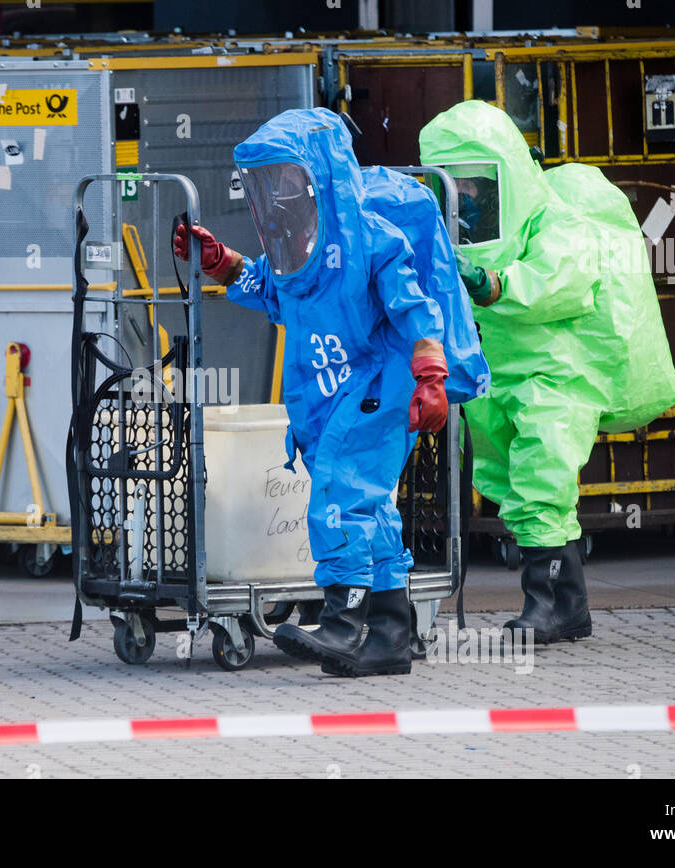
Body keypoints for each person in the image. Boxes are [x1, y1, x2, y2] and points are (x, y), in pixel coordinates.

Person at [173, 107, 488, 676]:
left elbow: (415, 308)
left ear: (319, 172)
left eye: (286, 178)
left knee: (340, 498)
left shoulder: (370, 237)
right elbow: (275, 291)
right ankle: (390, 634)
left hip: (376, 385)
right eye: (268, 182)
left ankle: (343, 623)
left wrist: (431, 377)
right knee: (371, 508)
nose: (278, 194)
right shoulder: (301, 251)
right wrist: (221, 262)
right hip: (327, 397)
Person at [419, 100, 675, 643]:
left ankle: (546, 604)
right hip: (497, 368)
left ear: (504, 174)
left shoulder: (557, 220)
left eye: (473, 181)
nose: (464, 195)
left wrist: (493, 284)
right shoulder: (457, 226)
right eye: (453, 183)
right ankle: (570, 607)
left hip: (557, 371)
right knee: (514, 482)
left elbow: (560, 280)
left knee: (544, 477)